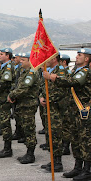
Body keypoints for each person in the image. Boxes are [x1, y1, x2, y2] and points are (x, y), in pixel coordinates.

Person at [46, 48, 91, 180]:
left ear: (87, 59)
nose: (76, 57)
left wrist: (53, 78)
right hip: (73, 112)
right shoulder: (74, 71)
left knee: (85, 140)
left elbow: (72, 82)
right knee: (75, 140)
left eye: (80, 55)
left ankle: (87, 170)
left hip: (83, 111)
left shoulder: (85, 72)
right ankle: (77, 167)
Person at [7, 53, 39, 164]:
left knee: (29, 129)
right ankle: (28, 152)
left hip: (28, 105)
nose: (21, 62)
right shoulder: (23, 73)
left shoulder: (31, 73)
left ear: (30, 61)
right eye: (20, 60)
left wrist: (12, 95)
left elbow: (24, 88)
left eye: (23, 60)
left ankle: (31, 154)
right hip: (22, 104)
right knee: (25, 128)